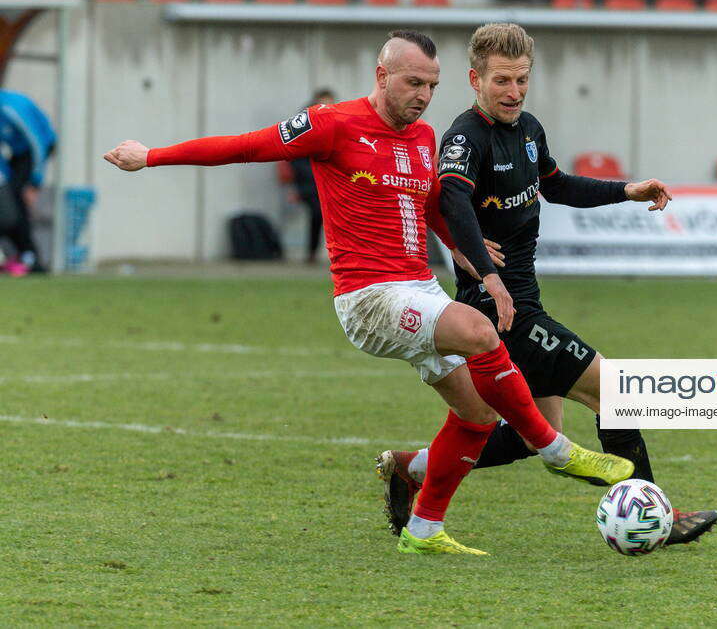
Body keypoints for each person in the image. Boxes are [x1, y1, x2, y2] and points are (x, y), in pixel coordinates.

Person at [103, 29, 633, 557]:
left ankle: (424, 530)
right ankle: (557, 450)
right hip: (368, 295)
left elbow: (430, 210)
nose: (423, 96)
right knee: (478, 331)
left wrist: (464, 252)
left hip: (417, 288)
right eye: (413, 82)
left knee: (477, 413)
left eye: (431, 85)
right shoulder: (330, 123)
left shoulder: (425, 139)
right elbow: (245, 146)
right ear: (382, 76)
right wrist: (151, 156)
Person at [379, 23, 717, 547]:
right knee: (616, 391)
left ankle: (414, 469)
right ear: (475, 79)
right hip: (499, 312)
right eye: (501, 81)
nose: (513, 92)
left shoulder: (529, 129)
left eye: (521, 79)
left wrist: (626, 191)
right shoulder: (466, 138)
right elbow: (452, 202)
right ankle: (654, 514)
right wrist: (487, 274)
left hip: (523, 299)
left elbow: (556, 184)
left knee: (525, 433)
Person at [0, 89, 57, 274]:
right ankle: (25, 255)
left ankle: (31, 257)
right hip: (17, 154)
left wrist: (35, 183)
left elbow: (37, 144)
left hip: (39, 148)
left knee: (16, 198)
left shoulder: (11, 108)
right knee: (10, 197)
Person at [285, 88, 336, 264]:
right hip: (309, 182)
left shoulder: (335, 122)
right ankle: (313, 253)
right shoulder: (303, 123)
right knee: (317, 213)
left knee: (325, 216)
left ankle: (325, 253)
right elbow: (294, 155)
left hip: (328, 180)